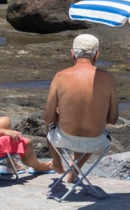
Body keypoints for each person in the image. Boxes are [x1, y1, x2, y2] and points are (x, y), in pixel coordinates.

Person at [44, 34, 118, 187]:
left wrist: (64, 114)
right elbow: (113, 118)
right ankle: (74, 172)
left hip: (64, 139)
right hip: (96, 142)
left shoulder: (60, 77)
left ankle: (57, 162)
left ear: (72, 53)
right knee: (92, 123)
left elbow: (48, 117)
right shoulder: (108, 78)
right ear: (96, 55)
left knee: (50, 124)